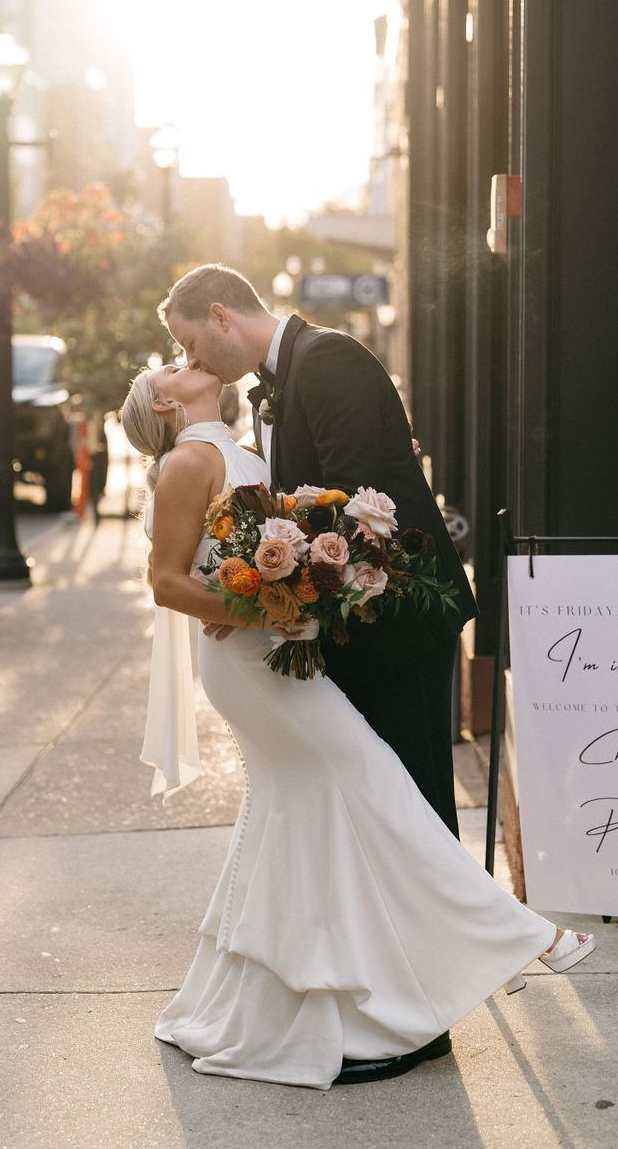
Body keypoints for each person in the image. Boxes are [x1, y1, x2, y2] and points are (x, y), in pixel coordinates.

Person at [120, 360, 595, 1091]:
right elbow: (168, 581)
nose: (192, 360)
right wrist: (263, 609)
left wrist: (305, 585)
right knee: (371, 780)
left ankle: (258, 1001)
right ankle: (525, 935)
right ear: (164, 400)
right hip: (250, 663)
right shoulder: (188, 461)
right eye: (176, 363)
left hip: (275, 650)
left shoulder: (236, 447)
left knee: (299, 811)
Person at [158, 263, 476, 838]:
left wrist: (265, 599)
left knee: (416, 803)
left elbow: (353, 503)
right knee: (377, 809)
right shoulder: (270, 391)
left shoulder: (328, 360)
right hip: (353, 620)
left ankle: (464, 926)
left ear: (220, 316)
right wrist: (250, 592)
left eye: (191, 343)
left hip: (399, 620)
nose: (195, 359)